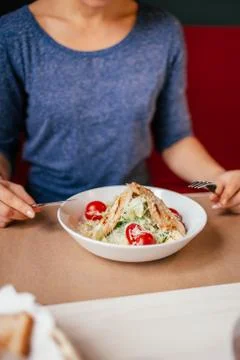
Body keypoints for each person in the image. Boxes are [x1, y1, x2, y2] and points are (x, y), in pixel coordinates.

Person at [0, 0, 239, 228]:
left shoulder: (164, 31)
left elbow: (175, 138)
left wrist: (220, 182)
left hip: (139, 217)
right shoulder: (13, 33)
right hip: (47, 215)